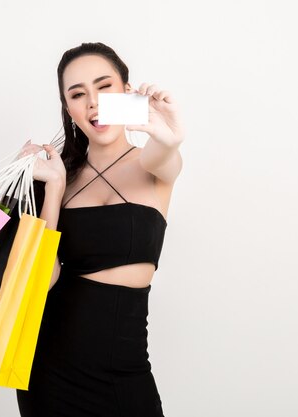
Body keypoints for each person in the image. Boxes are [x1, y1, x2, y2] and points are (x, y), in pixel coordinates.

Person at [15, 42, 184, 417]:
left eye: (103, 87)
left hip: (125, 374)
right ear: (68, 108)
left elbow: (165, 157)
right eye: (78, 94)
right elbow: (40, 281)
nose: (92, 102)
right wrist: (53, 188)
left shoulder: (154, 166)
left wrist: (168, 137)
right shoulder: (60, 178)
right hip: (50, 373)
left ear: (127, 92)